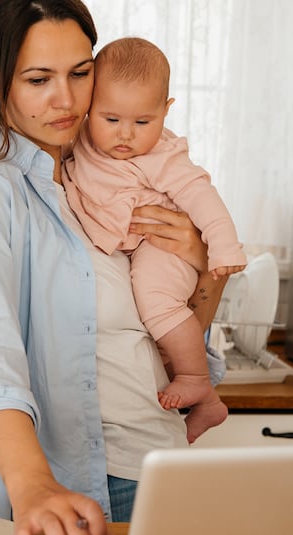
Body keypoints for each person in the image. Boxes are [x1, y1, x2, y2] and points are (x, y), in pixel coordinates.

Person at [0, 1, 227, 535]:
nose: (65, 99)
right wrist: (34, 485)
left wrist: (202, 263)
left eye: (80, 73)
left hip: (157, 464)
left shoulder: (110, 174)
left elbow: (167, 338)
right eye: (39, 79)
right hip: (69, 486)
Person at [63, 37, 247, 442]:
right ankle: (207, 401)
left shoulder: (161, 155)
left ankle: (196, 380)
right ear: (89, 106)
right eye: (111, 119)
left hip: (161, 246)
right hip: (134, 246)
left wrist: (222, 246)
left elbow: (201, 195)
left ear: (166, 111)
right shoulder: (81, 140)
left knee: (155, 297)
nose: (125, 134)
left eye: (143, 122)